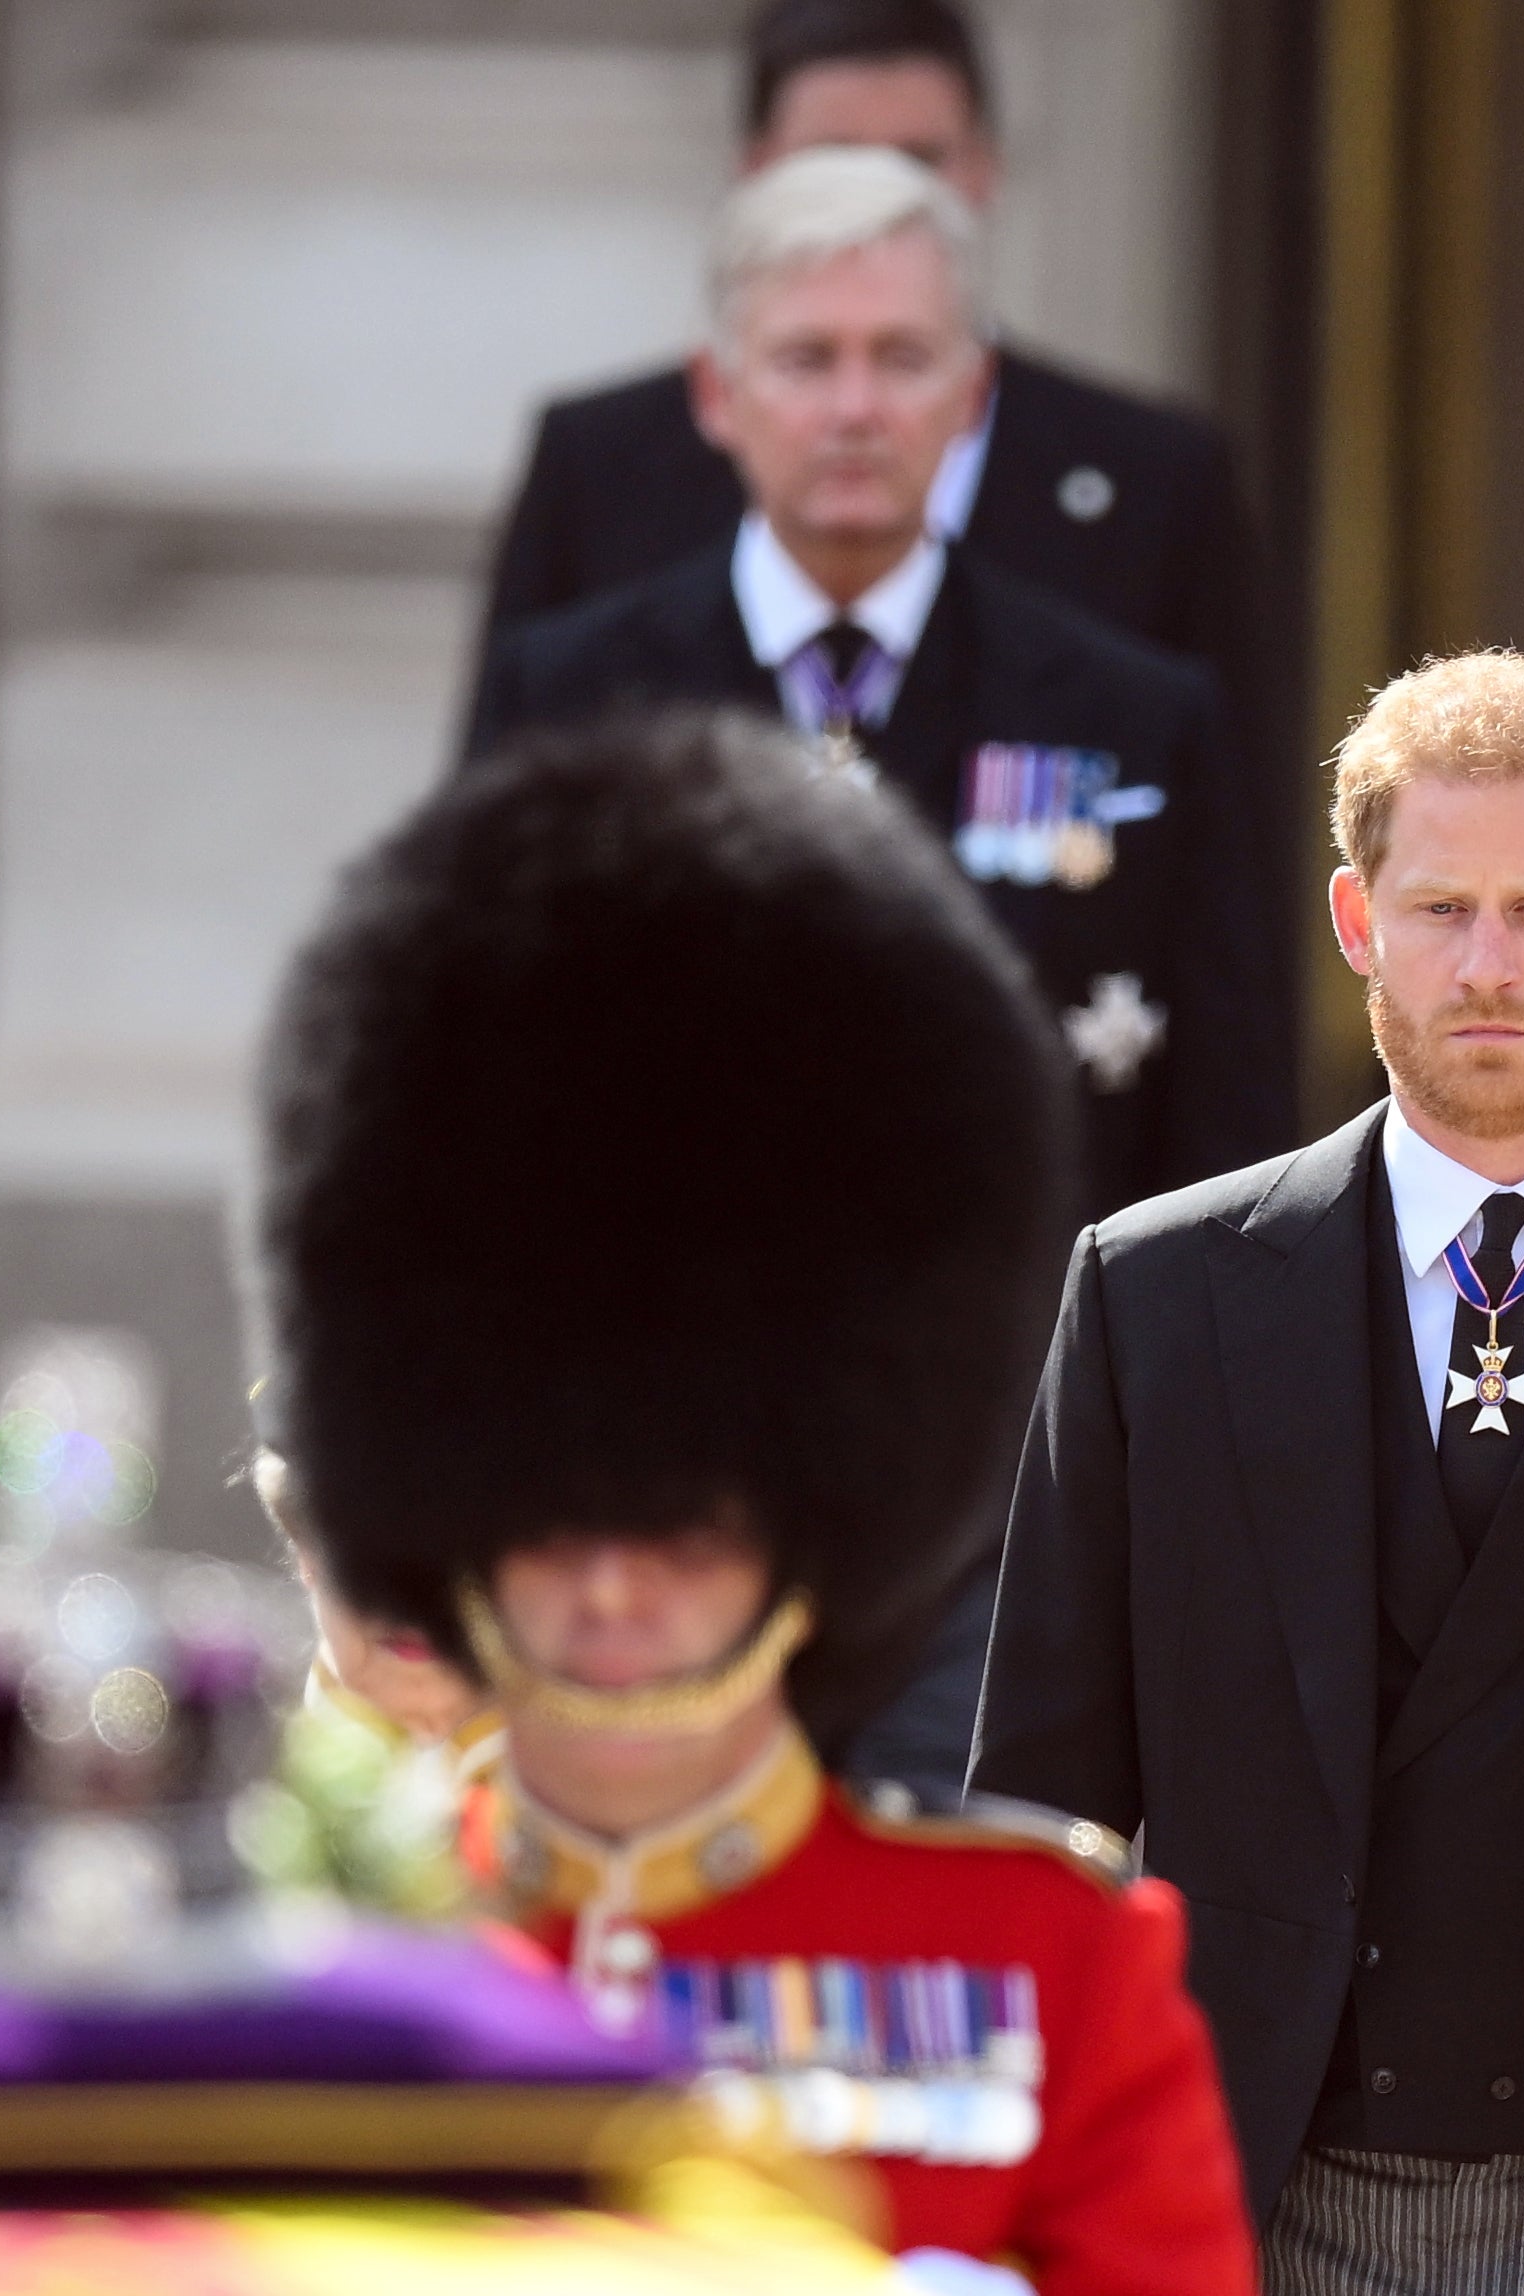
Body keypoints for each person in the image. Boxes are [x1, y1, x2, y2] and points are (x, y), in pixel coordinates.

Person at [253, 706, 1256, 2292]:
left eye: (681, 1529)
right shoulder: (311, 1954)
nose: (607, 1589)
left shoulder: (1051, 1974)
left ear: (814, 1519)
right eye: (546, 1515)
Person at [975, 652, 1524, 2293]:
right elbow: (1041, 1813)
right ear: (1355, 924)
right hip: (1258, 2208)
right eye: (1436, 910)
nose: (1485, 965)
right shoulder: (1156, 1296)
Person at [465, 144, 1290, 1222]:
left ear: (970, 391)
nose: (854, 407)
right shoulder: (566, 700)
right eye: (806, 359)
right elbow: (464, 1091)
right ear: (715, 394)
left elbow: (1226, 1142)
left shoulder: (1136, 719)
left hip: (1032, 1370)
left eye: (900, 357)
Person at [475, 0, 1262, 766]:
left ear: (985, 167)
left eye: (918, 160)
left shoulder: (1156, 482)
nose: (854, 410)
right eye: (833, 161)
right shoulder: (598, 469)